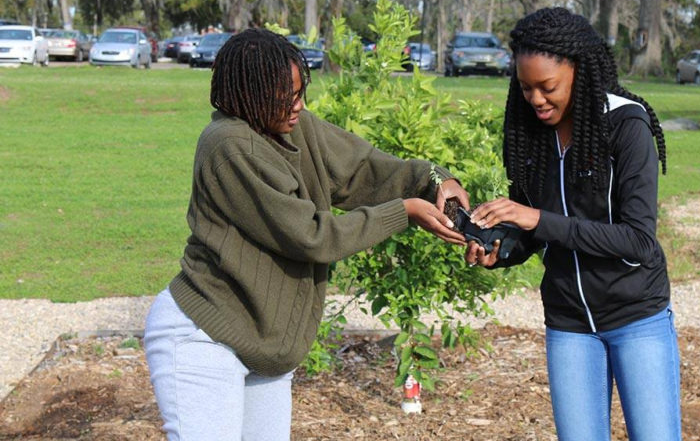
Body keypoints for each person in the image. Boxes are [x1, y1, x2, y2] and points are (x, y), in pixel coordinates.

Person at [143, 28, 468, 440]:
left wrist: (437, 180)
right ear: (250, 95)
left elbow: (365, 169)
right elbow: (312, 236)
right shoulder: (228, 146)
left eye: (301, 92)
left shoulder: (295, 127)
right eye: (286, 97)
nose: (299, 106)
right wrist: (402, 212)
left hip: (266, 345)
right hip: (204, 336)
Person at [465, 7, 679, 441]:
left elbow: (638, 242)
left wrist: (537, 219)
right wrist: (499, 248)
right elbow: (531, 231)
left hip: (636, 317)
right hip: (568, 323)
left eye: (548, 87)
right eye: (525, 89)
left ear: (578, 71)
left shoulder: (625, 124)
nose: (536, 100)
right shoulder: (528, 133)